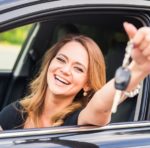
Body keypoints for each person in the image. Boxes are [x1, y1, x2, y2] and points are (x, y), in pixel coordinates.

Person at [0, 22, 150, 130]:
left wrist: (137, 70)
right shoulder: (16, 111)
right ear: (49, 64)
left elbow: (101, 105)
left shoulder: (79, 121)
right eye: (61, 59)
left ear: (87, 84)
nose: (65, 70)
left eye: (78, 69)